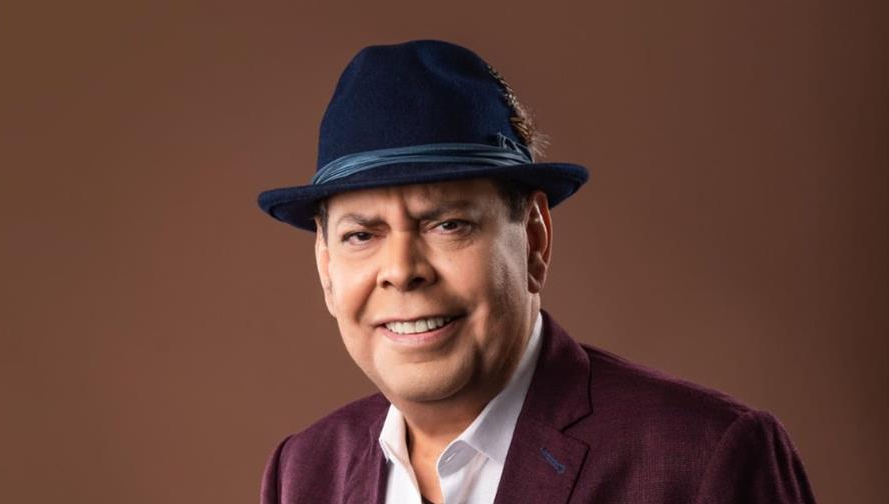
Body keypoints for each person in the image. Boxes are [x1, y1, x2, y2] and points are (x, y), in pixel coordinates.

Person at [256, 39, 816, 504]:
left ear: (534, 238)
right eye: (361, 235)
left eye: (448, 224)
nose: (401, 271)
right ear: (326, 268)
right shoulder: (302, 472)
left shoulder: (704, 458)